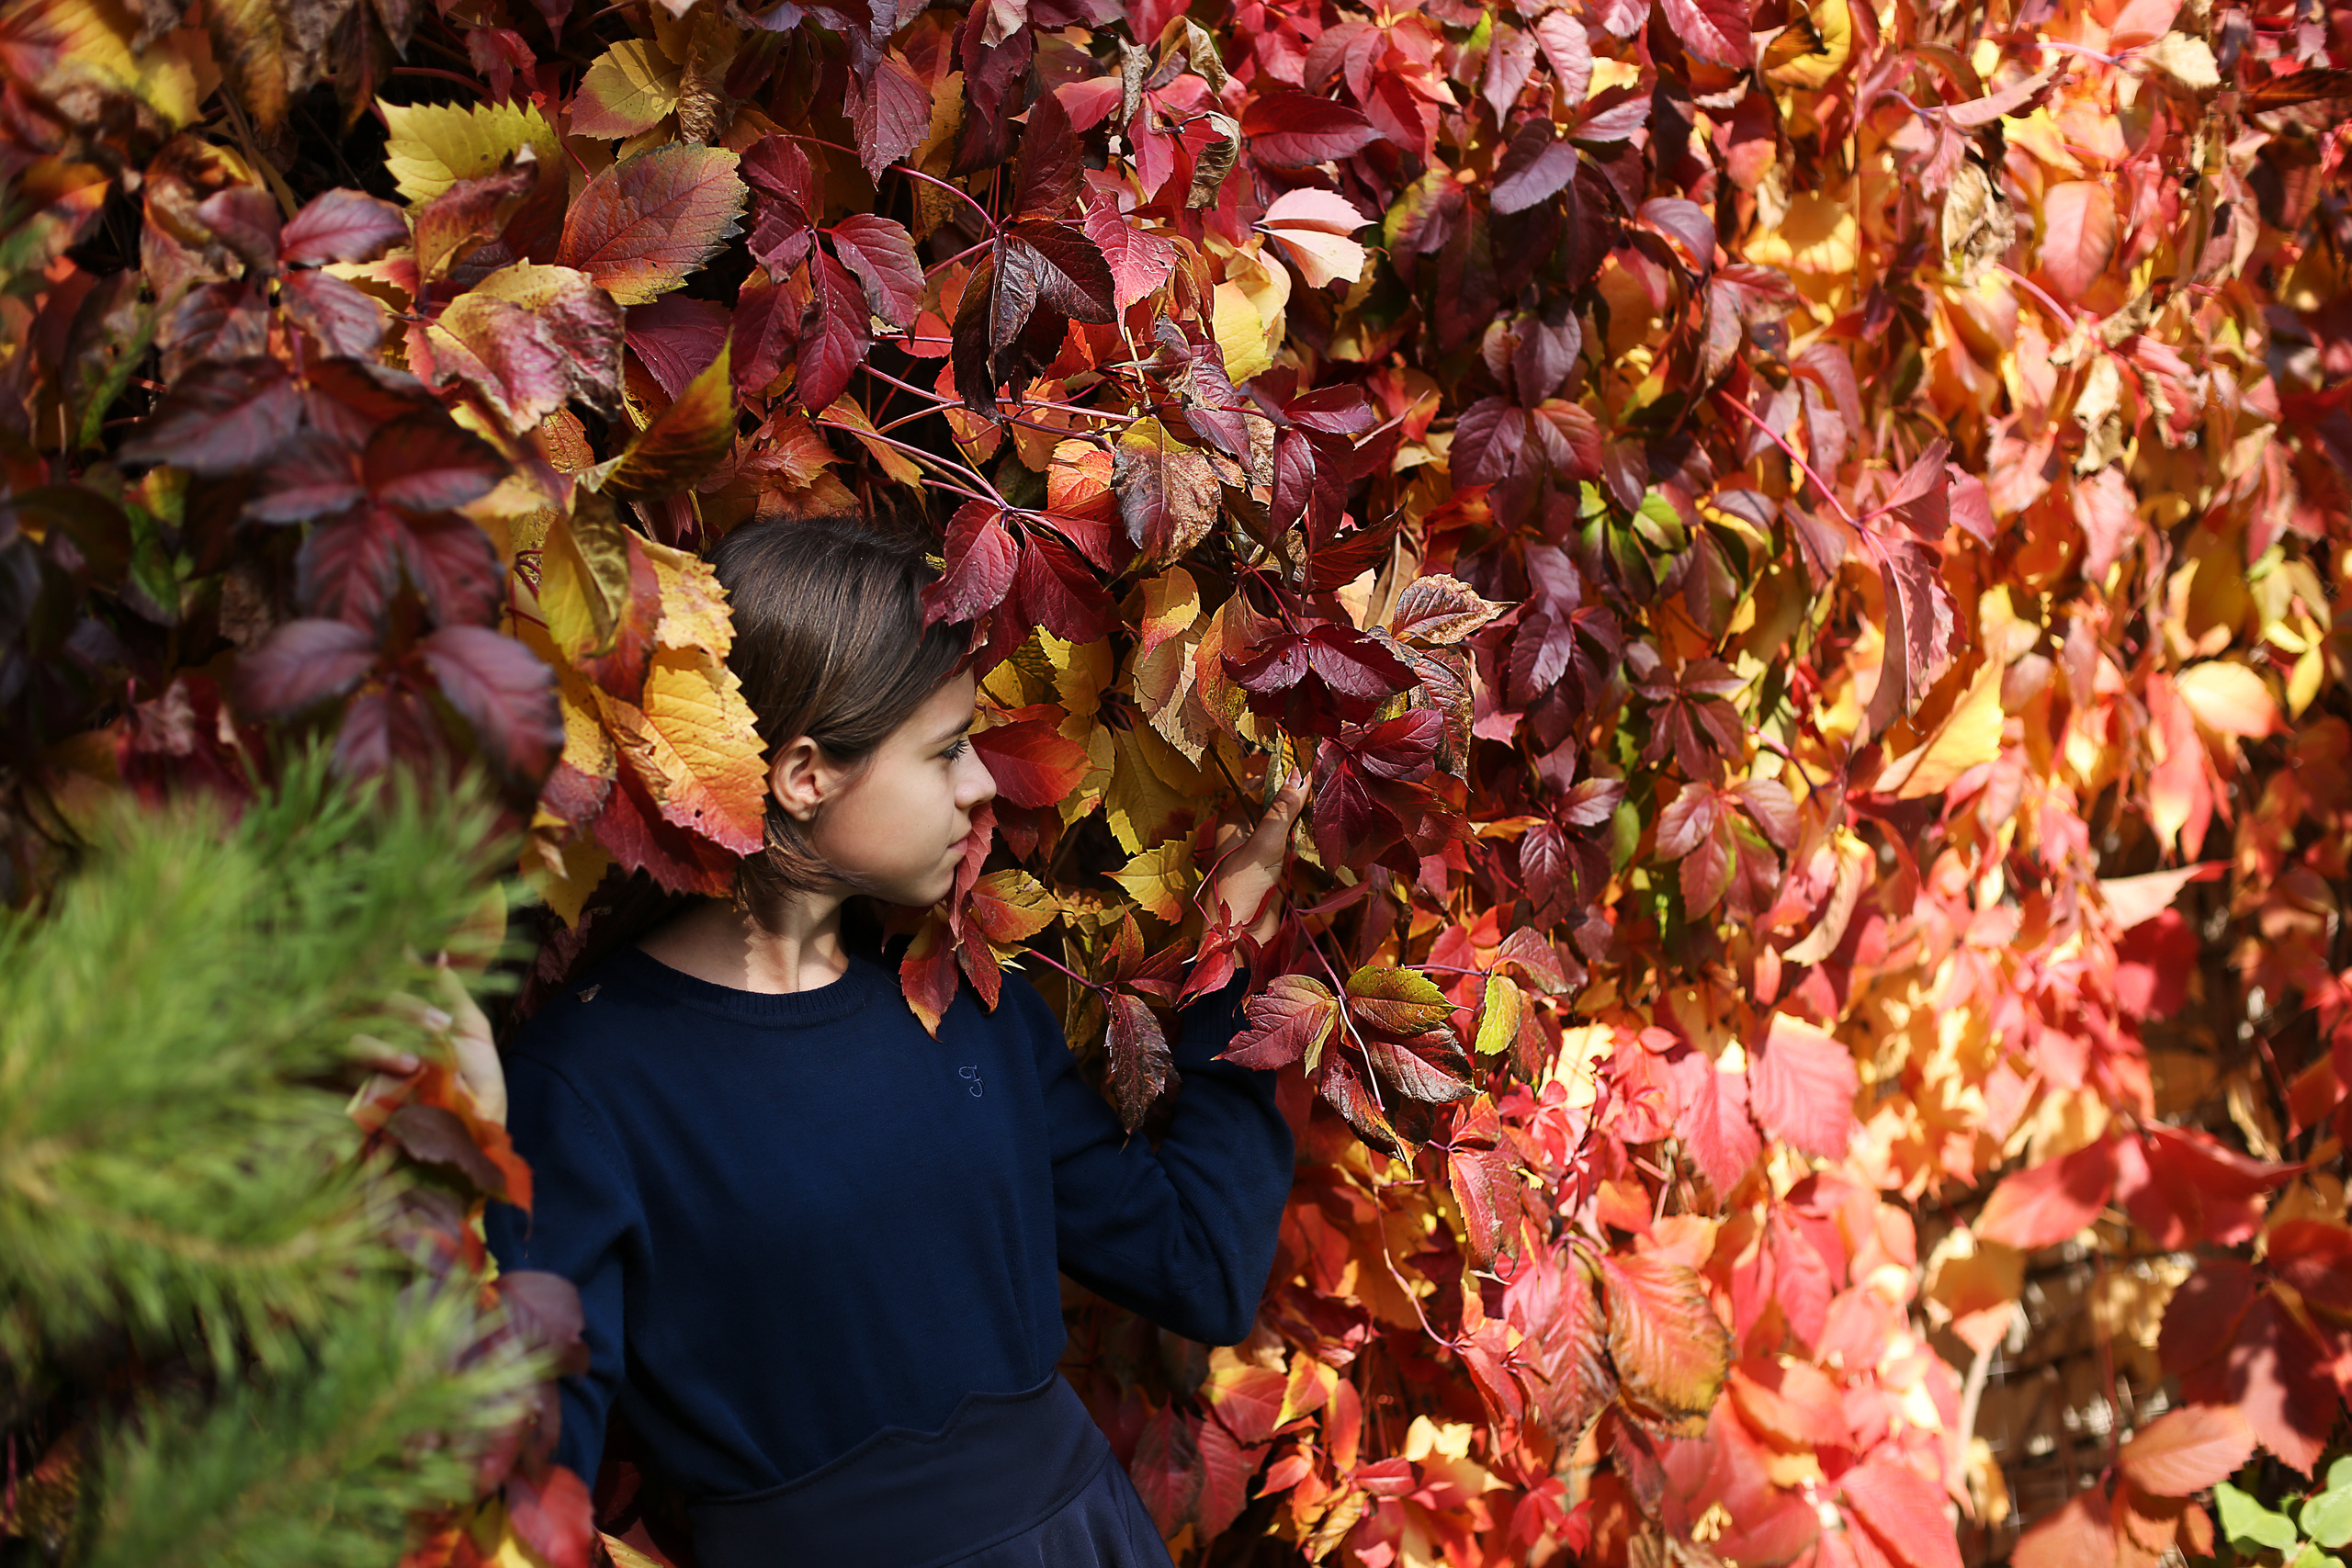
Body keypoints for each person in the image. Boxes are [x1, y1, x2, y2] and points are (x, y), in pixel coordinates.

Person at [481, 513, 1306, 1568]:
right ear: (805, 775)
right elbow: (528, 1498)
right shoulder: (588, 1089)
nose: (978, 787)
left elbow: (1199, 1266)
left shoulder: (962, 1004)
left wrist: (1228, 962)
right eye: (945, 750)